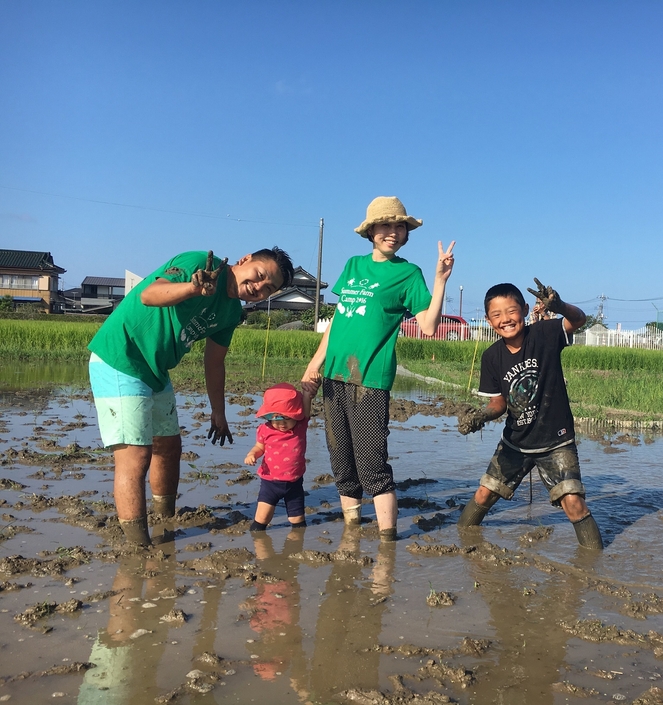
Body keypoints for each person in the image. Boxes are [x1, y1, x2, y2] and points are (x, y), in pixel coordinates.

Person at [88, 248, 295, 546]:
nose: (258, 287)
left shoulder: (232, 312)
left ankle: (166, 522)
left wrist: (218, 412)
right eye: (260, 275)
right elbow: (149, 295)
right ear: (245, 260)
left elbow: (214, 362)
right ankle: (139, 546)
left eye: (268, 289)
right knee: (136, 455)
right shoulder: (200, 264)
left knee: (169, 446)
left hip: (156, 369)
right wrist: (193, 288)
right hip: (121, 356)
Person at [302, 196, 455, 542]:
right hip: (334, 377)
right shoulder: (353, 266)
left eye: (399, 226)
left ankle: (388, 544)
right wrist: (314, 364)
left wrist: (440, 279)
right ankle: (351, 532)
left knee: (372, 465)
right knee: (341, 462)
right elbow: (338, 322)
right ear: (371, 231)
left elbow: (429, 326)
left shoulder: (407, 274)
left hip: (369, 380)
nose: (393, 232)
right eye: (386, 225)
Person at [455, 279, 604, 550]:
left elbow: (579, 320)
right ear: (489, 321)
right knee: (483, 494)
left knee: (573, 504)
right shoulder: (491, 357)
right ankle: (460, 541)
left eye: (511, 311)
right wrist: (481, 417)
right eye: (497, 315)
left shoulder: (545, 334)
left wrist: (559, 306)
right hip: (516, 443)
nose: (506, 320)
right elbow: (499, 403)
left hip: (556, 441)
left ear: (524, 309)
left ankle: (594, 560)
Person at [244, 382, 316, 531]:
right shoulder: (265, 429)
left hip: (294, 483)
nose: (282, 424)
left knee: (298, 522)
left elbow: (306, 406)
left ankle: (296, 548)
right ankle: (259, 547)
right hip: (270, 482)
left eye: (287, 419)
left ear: (296, 415)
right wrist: (252, 454)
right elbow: (259, 447)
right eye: (277, 420)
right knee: (261, 520)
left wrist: (308, 393)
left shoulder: (300, 426)